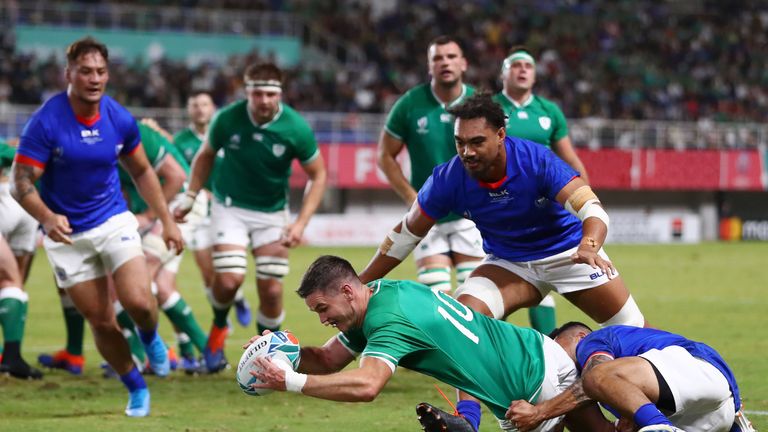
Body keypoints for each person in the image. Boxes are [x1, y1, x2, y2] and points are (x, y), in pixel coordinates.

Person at [358, 93, 646, 431]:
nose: (467, 152)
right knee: (462, 316)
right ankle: (467, 419)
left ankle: (642, 417)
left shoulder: (536, 160)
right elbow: (405, 235)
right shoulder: (449, 178)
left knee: (634, 333)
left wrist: (589, 243)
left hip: (570, 253)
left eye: (477, 141)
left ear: (500, 135)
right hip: (509, 262)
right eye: (460, 142)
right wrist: (361, 282)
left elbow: (592, 209)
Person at [248, 255, 614, 432]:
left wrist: (290, 382)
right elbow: (328, 359)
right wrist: (279, 355)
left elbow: (368, 384)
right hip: (532, 359)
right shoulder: (379, 296)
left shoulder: (389, 320)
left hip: (531, 382)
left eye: (323, 309)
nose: (323, 319)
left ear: (346, 291)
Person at [11, 37, 180, 416]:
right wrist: (47, 217)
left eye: (100, 71)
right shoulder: (46, 121)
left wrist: (166, 221)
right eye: (85, 71)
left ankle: (150, 337)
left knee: (139, 301)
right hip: (66, 235)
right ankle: (136, 388)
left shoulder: (117, 117)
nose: (94, 78)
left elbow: (141, 171)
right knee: (102, 322)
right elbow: (20, 183)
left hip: (112, 220)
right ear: (68, 73)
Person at [174, 62, 327, 372]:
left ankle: (264, 352)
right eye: (257, 93)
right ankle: (218, 329)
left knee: (271, 291)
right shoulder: (227, 119)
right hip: (229, 207)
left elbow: (318, 174)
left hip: (272, 214)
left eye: (270, 93)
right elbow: (204, 156)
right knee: (229, 281)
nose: (264, 100)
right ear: (247, 93)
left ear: (280, 94)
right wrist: (190, 197)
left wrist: (300, 223)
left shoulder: (295, 127)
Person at [492, 46, 591, 336]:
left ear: (534, 75)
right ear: (503, 73)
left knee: (542, 276)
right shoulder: (491, 107)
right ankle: (492, 353)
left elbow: (569, 158)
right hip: (499, 205)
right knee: (498, 281)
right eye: (516, 65)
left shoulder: (549, 111)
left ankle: (549, 348)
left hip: (541, 209)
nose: (523, 69)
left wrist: (585, 196)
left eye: (528, 66)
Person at [377, 35, 484, 294]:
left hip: (472, 216)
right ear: (429, 66)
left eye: (451, 57)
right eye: (437, 58)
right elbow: (384, 155)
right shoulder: (410, 104)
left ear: (463, 64)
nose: (445, 62)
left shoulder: (480, 103)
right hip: (428, 216)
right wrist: (412, 198)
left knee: (476, 302)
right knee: (440, 301)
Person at [506, 322, 756, 432]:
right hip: (714, 418)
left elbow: (597, 375)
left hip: (700, 372)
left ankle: (660, 429)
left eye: (557, 346)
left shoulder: (593, 342)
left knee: (595, 378)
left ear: (579, 337)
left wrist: (540, 412)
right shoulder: (614, 390)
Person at [173, 90, 252, 328]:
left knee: (227, 272)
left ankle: (235, 299)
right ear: (189, 110)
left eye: (204, 104)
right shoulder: (181, 141)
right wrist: (196, 191)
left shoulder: (226, 136)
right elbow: (178, 175)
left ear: (212, 108)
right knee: (209, 275)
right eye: (195, 104)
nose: (199, 109)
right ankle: (225, 319)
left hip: (226, 213)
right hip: (197, 215)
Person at [0, 138, 43, 379]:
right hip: (20, 199)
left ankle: (11, 356)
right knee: (12, 281)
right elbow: (20, 155)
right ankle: (12, 357)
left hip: (13, 200)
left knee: (12, 281)